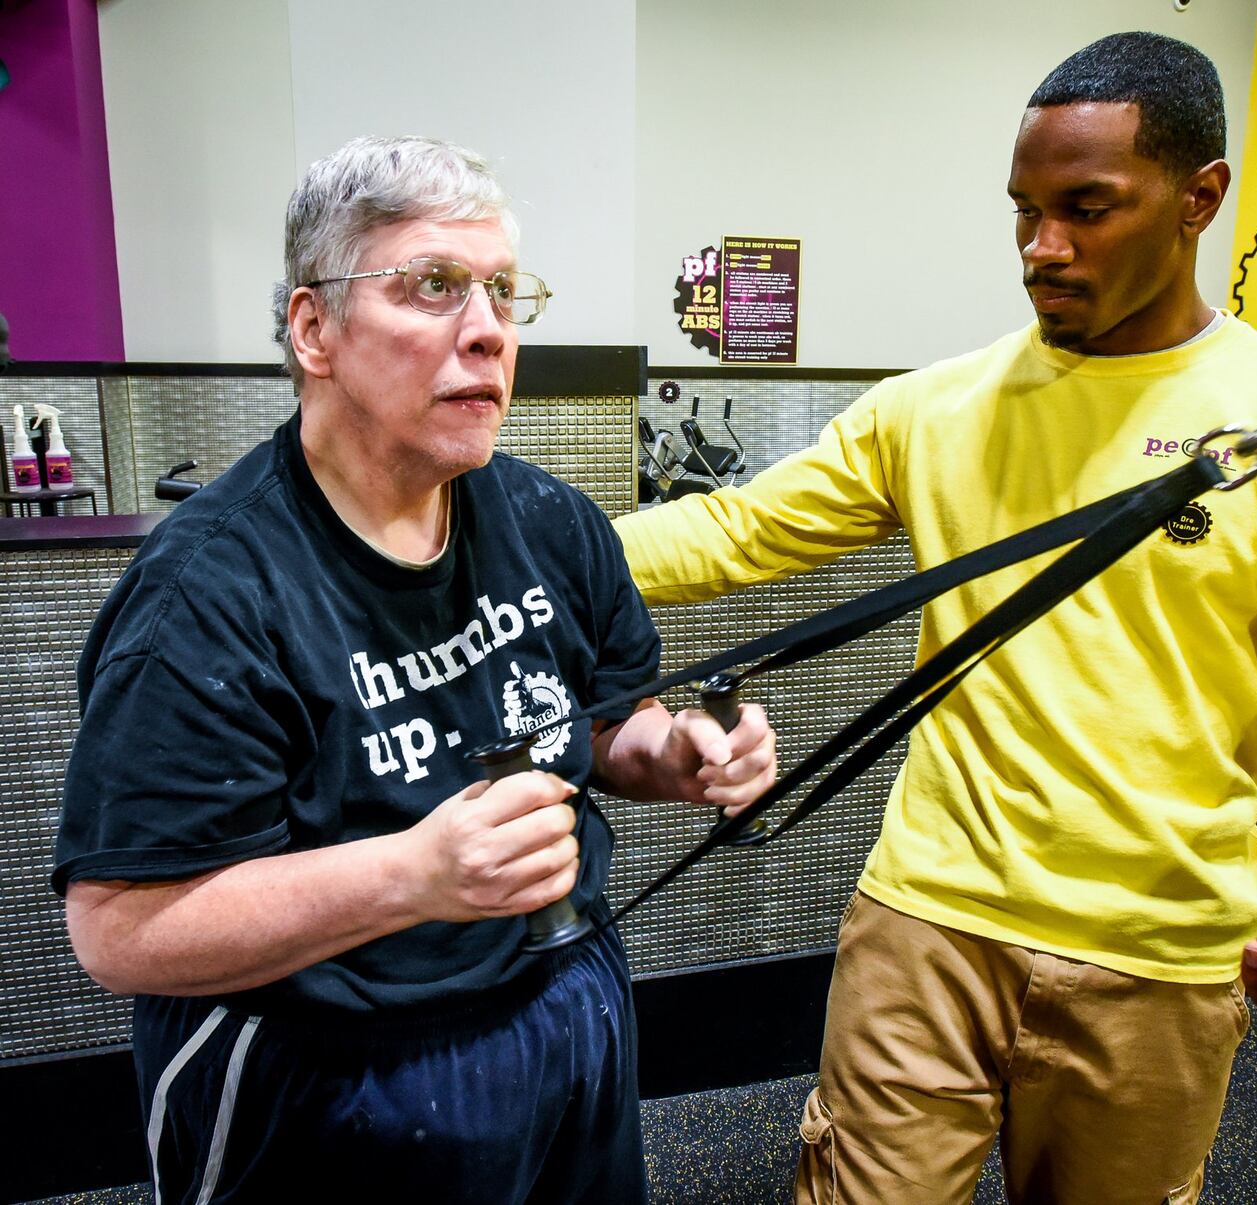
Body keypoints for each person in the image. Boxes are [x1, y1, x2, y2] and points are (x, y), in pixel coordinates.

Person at [614, 32, 1257, 1205]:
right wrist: (512, 548)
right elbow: (734, 532)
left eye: (1087, 209)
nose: (1041, 249)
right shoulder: (937, 407)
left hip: (1155, 953)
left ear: (1198, 197)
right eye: (1025, 211)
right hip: (925, 919)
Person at [52, 136, 776, 1204]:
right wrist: (409, 876)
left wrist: (672, 753)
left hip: (562, 1003)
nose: (486, 331)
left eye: (500, 292)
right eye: (432, 287)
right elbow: (117, 929)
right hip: (330, 1063)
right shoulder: (208, 592)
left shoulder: (550, 519)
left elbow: (611, 719)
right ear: (315, 329)